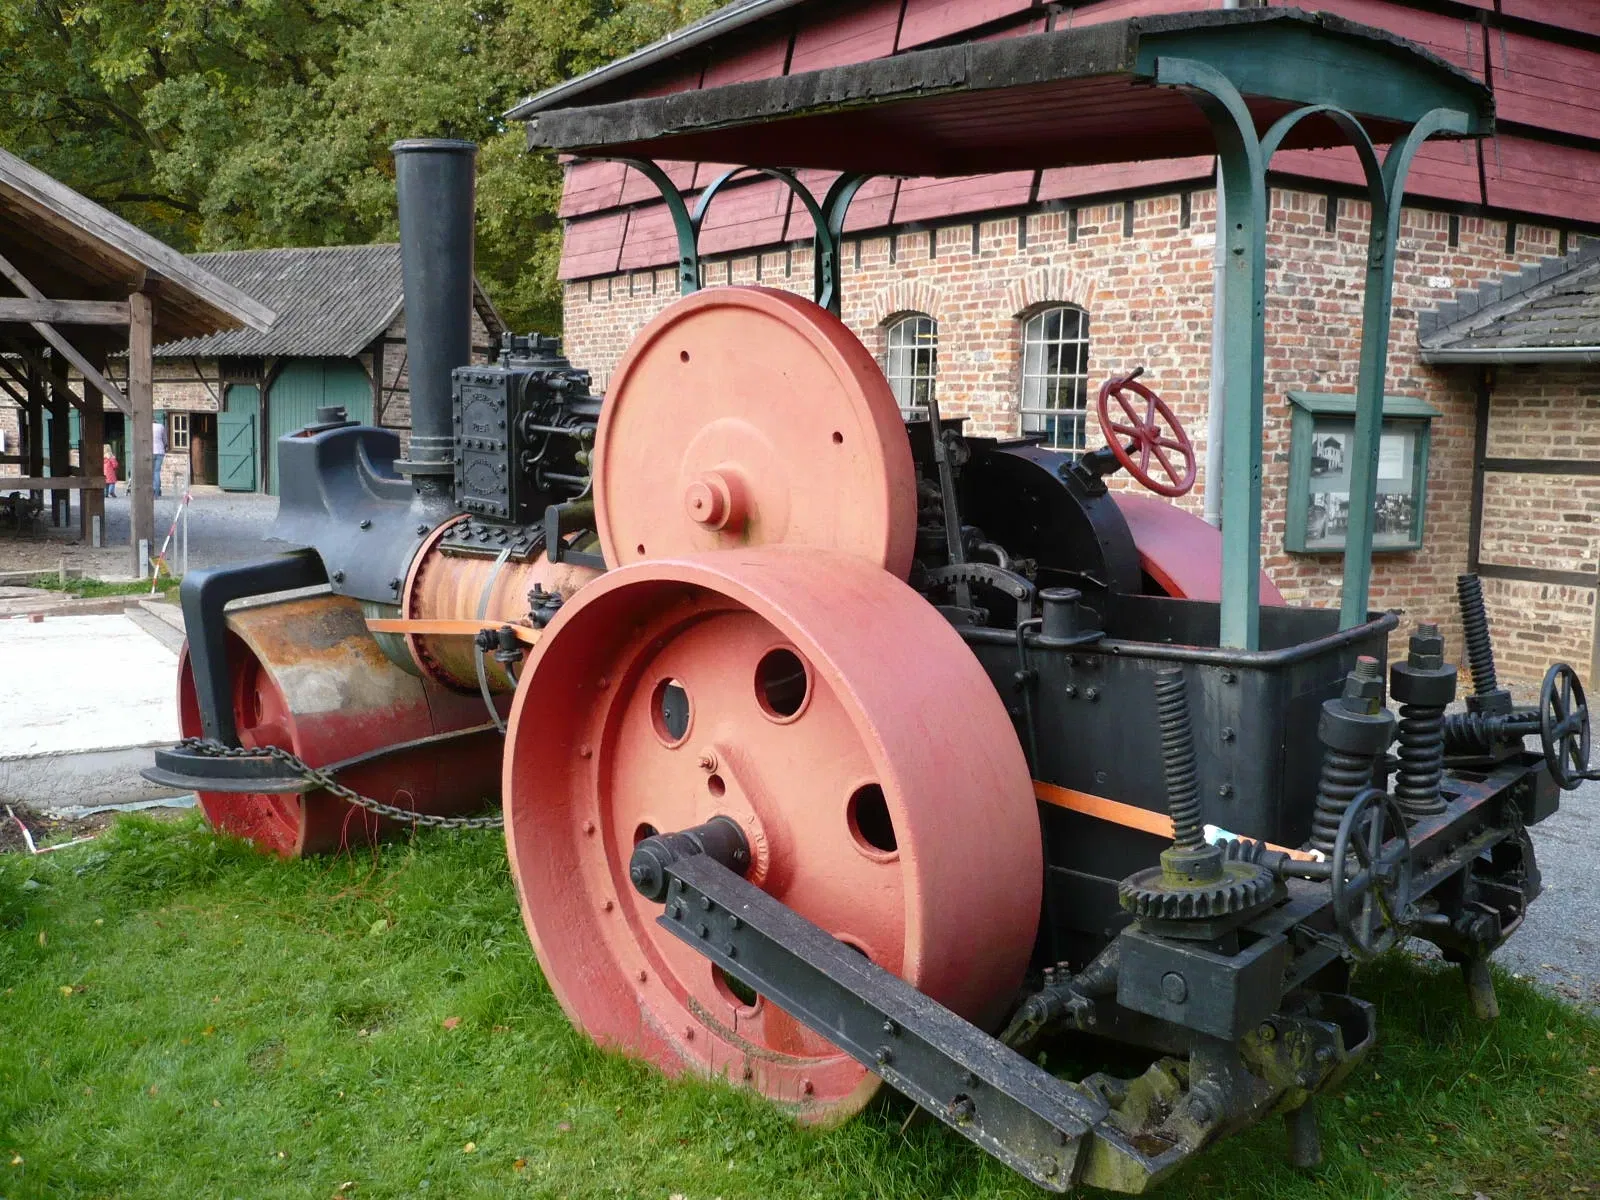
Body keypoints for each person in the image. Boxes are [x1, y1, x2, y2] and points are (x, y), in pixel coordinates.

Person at [151, 418, 167, 498]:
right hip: (160, 451)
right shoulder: (161, 426)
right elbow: (165, 440)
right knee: (157, 472)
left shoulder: (147, 426)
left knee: (151, 472)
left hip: (150, 451)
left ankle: (152, 490)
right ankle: (157, 492)